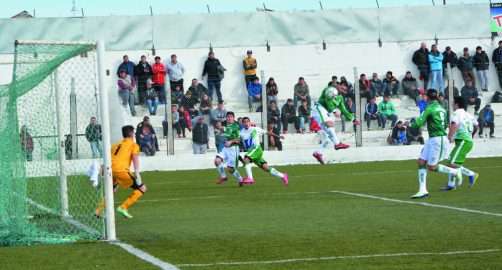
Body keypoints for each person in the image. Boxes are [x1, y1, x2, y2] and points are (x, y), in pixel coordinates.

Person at [408, 89, 462, 199]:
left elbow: (418, 123)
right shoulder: (442, 108)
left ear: (427, 97)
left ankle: (454, 171)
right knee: (421, 161)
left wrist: (409, 124)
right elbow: (446, 123)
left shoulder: (429, 108)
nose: (424, 97)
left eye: (424, 96)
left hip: (437, 139)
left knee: (432, 167)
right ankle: (423, 190)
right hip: (434, 138)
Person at [95, 125, 147, 219]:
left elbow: (109, 159)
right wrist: (137, 173)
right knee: (142, 189)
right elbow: (135, 158)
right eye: (133, 133)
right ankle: (123, 207)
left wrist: (100, 172)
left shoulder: (115, 145)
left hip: (110, 170)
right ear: (131, 133)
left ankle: (98, 211)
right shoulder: (133, 145)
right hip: (121, 170)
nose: (134, 134)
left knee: (112, 190)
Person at [312, 86, 358, 164]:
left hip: (326, 113)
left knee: (328, 139)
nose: (343, 89)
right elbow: (328, 101)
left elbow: (343, 109)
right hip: (319, 109)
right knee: (330, 124)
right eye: (342, 87)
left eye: (345, 88)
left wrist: (353, 119)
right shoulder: (329, 90)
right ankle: (337, 144)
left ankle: (318, 153)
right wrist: (334, 110)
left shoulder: (340, 98)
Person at [441, 96, 479, 191]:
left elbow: (455, 124)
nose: (452, 105)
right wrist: (471, 136)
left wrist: (450, 136)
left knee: (452, 163)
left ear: (457, 104)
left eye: (453, 103)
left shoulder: (456, 113)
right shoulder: (468, 114)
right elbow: (476, 125)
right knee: (451, 162)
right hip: (466, 141)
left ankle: (471, 174)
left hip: (463, 141)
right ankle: (451, 185)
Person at [239, 117, 288, 185]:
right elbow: (239, 141)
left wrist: (278, 136)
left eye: (247, 121)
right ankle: (283, 175)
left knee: (246, 159)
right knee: (266, 168)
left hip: (256, 149)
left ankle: (250, 178)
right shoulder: (241, 132)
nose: (246, 123)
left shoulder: (255, 129)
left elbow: (267, 133)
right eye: (244, 122)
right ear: (242, 123)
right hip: (252, 152)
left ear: (250, 122)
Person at [214, 112, 244, 185]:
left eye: (231, 117)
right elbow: (225, 131)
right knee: (217, 161)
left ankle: (240, 179)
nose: (229, 118)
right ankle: (223, 176)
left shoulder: (236, 126)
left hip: (234, 149)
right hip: (226, 148)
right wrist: (220, 131)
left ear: (233, 118)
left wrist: (231, 141)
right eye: (228, 117)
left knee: (230, 169)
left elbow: (239, 139)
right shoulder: (228, 125)